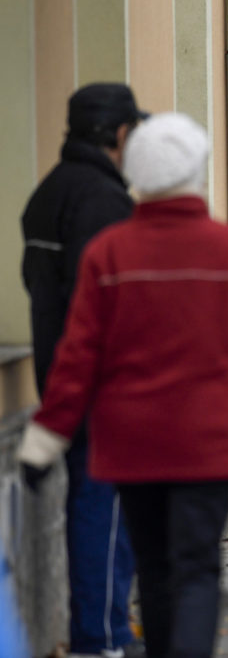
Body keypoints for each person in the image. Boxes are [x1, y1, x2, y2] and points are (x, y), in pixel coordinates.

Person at [16, 112, 228, 658]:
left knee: (155, 568)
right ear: (197, 168)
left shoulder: (110, 253)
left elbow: (77, 358)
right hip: (208, 443)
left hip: (132, 445)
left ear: (137, 171)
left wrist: (43, 440)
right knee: (194, 569)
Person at [20, 83, 146, 658]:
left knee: (95, 511)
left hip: (63, 374)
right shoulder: (101, 199)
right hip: (103, 385)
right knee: (107, 516)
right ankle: (103, 638)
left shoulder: (51, 191)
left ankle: (105, 633)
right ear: (118, 134)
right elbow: (104, 304)